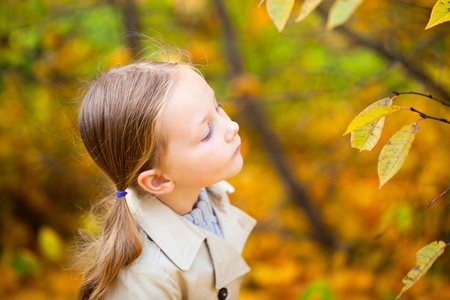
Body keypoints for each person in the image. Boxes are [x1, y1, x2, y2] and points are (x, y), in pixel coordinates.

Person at [76, 58, 256, 300]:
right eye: (206, 133)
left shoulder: (209, 195)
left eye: (218, 106)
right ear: (158, 181)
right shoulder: (146, 280)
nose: (231, 125)